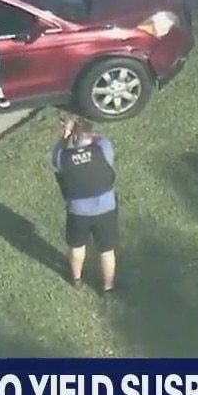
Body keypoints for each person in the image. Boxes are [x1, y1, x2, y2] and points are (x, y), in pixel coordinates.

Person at [51, 116, 119, 293]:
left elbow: (56, 154)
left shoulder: (62, 157)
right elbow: (101, 140)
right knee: (107, 250)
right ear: (91, 132)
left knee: (77, 247)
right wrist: (87, 131)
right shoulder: (103, 148)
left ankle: (76, 279)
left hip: (78, 210)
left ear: (73, 135)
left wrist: (65, 136)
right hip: (106, 207)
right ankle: (108, 286)